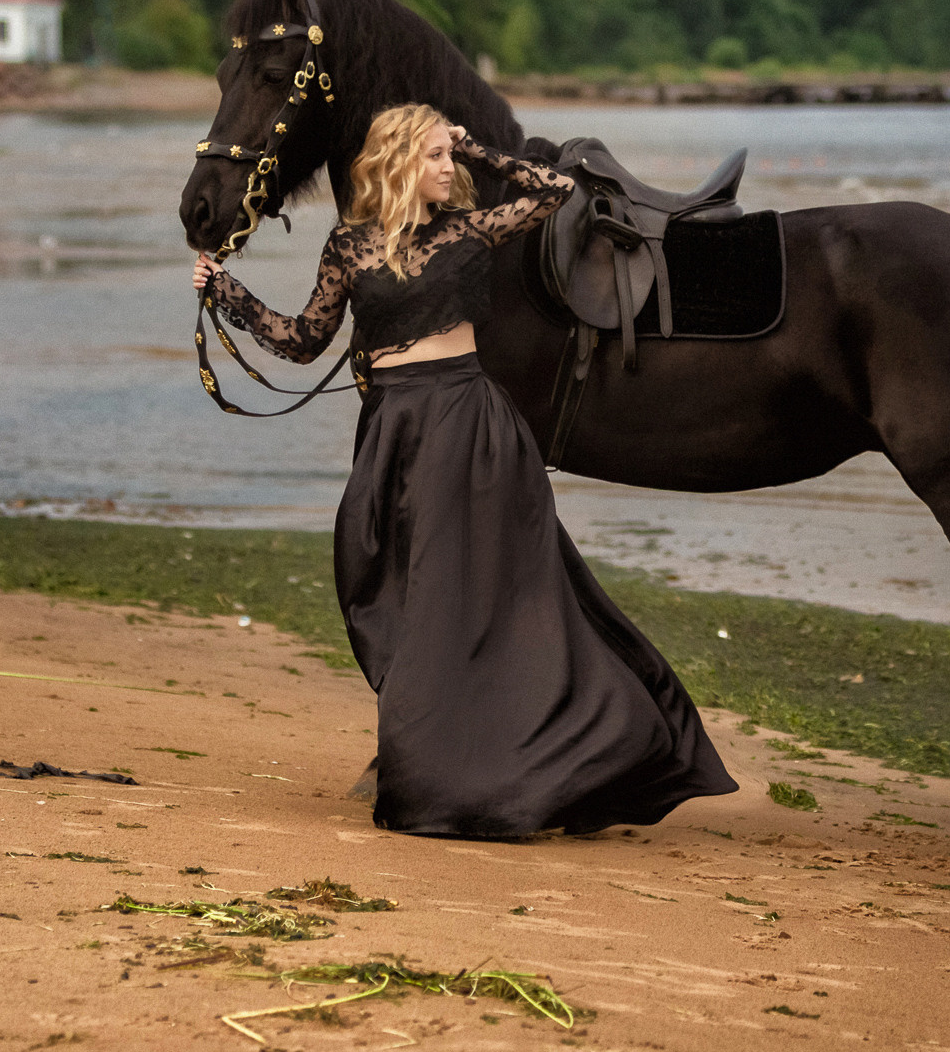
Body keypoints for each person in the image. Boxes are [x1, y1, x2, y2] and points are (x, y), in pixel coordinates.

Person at [192, 105, 736, 838]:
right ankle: (455, 748)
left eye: (453, 156)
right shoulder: (348, 247)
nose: (450, 169)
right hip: (390, 426)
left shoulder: (469, 231)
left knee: (457, 601)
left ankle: (449, 772)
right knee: (374, 577)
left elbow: (552, 191)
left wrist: (477, 146)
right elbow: (304, 340)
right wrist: (227, 292)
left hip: (468, 427)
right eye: (437, 156)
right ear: (396, 161)